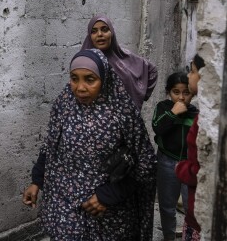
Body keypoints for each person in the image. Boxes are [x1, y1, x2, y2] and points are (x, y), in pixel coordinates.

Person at [22, 49, 157, 240]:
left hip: (107, 216)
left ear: (104, 79)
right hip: (65, 210)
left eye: (90, 79)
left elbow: (146, 163)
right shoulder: (64, 103)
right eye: (74, 78)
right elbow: (51, 145)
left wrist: (110, 195)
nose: (80, 87)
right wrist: (37, 181)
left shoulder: (122, 111)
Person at [152, 72, 198, 241]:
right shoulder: (163, 108)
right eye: (175, 92)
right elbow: (157, 127)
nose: (180, 97)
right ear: (168, 92)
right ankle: (169, 236)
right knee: (166, 205)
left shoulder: (195, 114)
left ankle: (190, 237)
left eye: (186, 93)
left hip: (189, 164)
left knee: (190, 207)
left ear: (192, 93)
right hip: (166, 161)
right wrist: (173, 113)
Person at [81, 15, 158, 111]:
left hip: (125, 120)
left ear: (112, 33)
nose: (100, 34)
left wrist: (142, 94)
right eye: (94, 31)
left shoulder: (123, 56)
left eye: (104, 29)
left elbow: (152, 70)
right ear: (90, 36)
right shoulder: (83, 62)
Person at [175, 54, 206, 241]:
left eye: (193, 71)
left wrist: (180, 169)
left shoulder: (204, 120)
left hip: (200, 216)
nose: (189, 77)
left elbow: (198, 170)